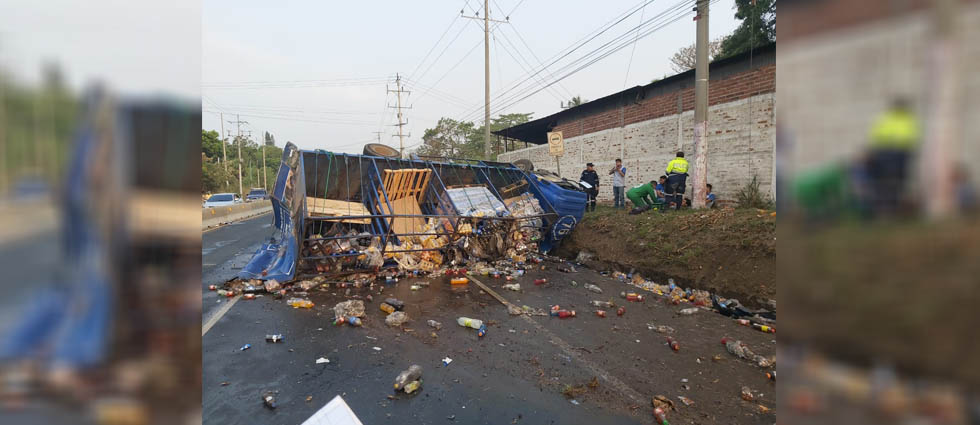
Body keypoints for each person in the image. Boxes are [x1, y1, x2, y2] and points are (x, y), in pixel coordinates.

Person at [867, 98, 919, 215]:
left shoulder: (909, 120)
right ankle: (882, 206)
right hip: (885, 153)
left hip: (901, 154)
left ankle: (893, 206)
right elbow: (876, 135)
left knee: (897, 180)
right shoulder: (887, 119)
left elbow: (912, 138)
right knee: (883, 180)